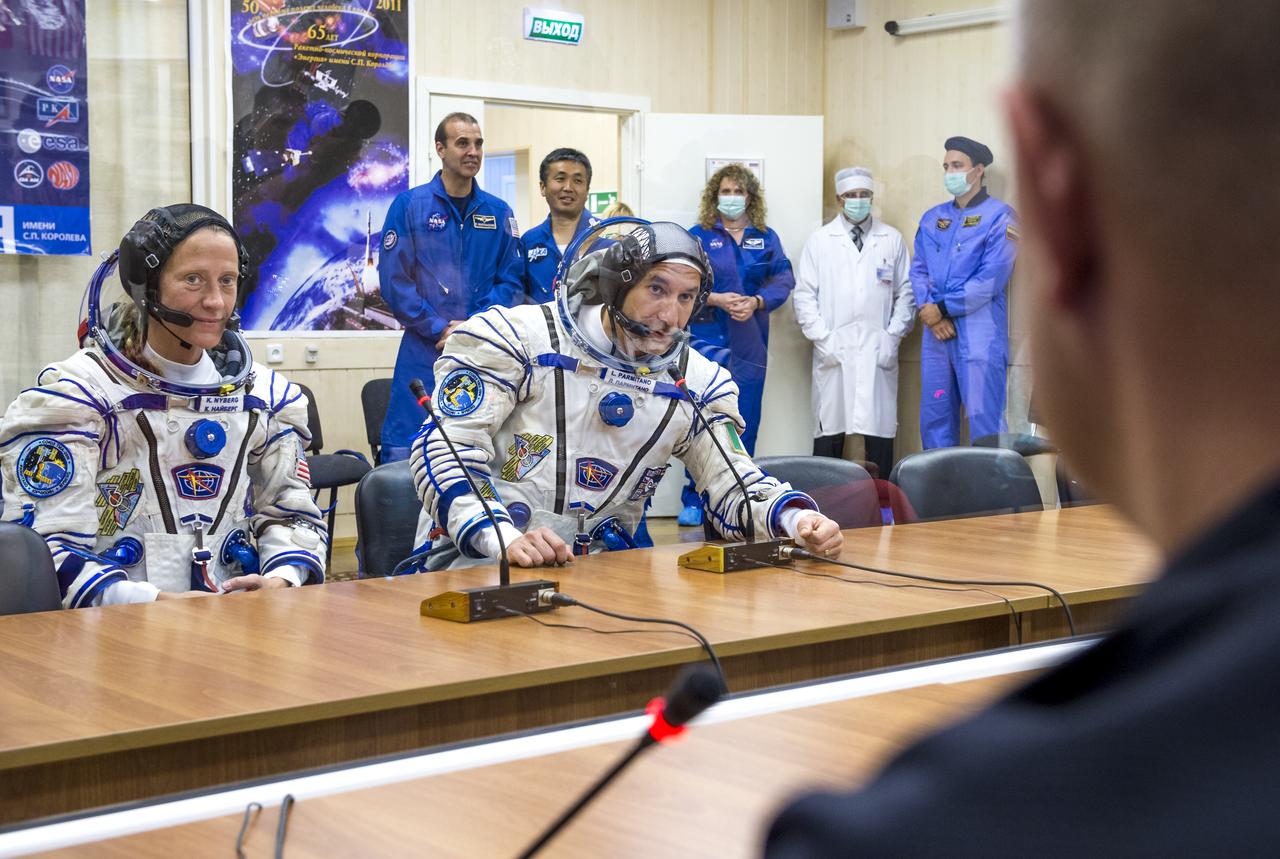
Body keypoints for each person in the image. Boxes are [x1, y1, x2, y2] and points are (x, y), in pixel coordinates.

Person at [765, 1, 1280, 853]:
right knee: (938, 424)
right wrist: (926, 305)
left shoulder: (945, 825)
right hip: (915, 333)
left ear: (1056, 195)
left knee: (974, 416)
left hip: (963, 330)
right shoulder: (920, 226)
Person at [408, 219, 842, 570]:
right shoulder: (518, 340)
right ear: (618, 285)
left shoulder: (696, 382)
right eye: (656, 289)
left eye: (686, 297)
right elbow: (448, 450)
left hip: (602, 568)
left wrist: (796, 519)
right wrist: (500, 536)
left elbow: (732, 481)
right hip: (480, 556)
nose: (670, 315)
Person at [0, 204, 326, 608]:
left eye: (227, 281)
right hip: (114, 626)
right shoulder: (79, 397)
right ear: (147, 285)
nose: (216, 302)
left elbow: (290, 512)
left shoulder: (265, 397)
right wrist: (147, 600)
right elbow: (49, 545)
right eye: (193, 280)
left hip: (239, 617)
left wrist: (280, 578)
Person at [378, 112, 522, 463]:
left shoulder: (499, 212)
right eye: (462, 143)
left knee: (485, 454)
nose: (473, 151)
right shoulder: (410, 206)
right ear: (440, 149)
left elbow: (512, 281)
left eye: (478, 143)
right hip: (426, 350)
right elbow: (394, 281)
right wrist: (439, 327)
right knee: (408, 455)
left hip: (484, 351)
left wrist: (474, 326)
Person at [679, 164, 796, 526]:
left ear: (750, 197)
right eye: (725, 191)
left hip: (751, 341)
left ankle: (745, 495)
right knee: (702, 416)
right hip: (707, 338)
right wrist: (714, 298)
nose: (732, 198)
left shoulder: (765, 236)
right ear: (715, 196)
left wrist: (756, 302)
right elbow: (679, 280)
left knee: (745, 418)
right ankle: (695, 500)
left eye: (738, 191)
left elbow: (783, 277)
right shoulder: (698, 236)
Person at [793, 167, 915, 479]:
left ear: (872, 197)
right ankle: (823, 502)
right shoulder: (821, 241)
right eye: (851, 196)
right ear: (839, 199)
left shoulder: (891, 240)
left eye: (864, 195)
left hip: (878, 347)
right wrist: (823, 337)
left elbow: (906, 293)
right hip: (833, 346)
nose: (858, 201)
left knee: (879, 431)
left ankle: (883, 504)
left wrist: (893, 336)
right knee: (829, 430)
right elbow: (804, 295)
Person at [910, 135, 1018, 449]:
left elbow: (992, 277)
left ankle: (991, 496)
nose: (950, 173)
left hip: (980, 334)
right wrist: (929, 312)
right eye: (946, 166)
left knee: (986, 423)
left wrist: (942, 308)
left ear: (979, 169)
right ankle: (939, 493)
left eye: (957, 165)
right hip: (936, 338)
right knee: (935, 417)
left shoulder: (1002, 217)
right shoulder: (933, 218)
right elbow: (919, 270)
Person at [519, 147, 600, 303]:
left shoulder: (604, 236)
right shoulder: (529, 242)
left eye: (577, 180)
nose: (568, 187)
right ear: (543, 187)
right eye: (560, 178)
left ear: (587, 190)